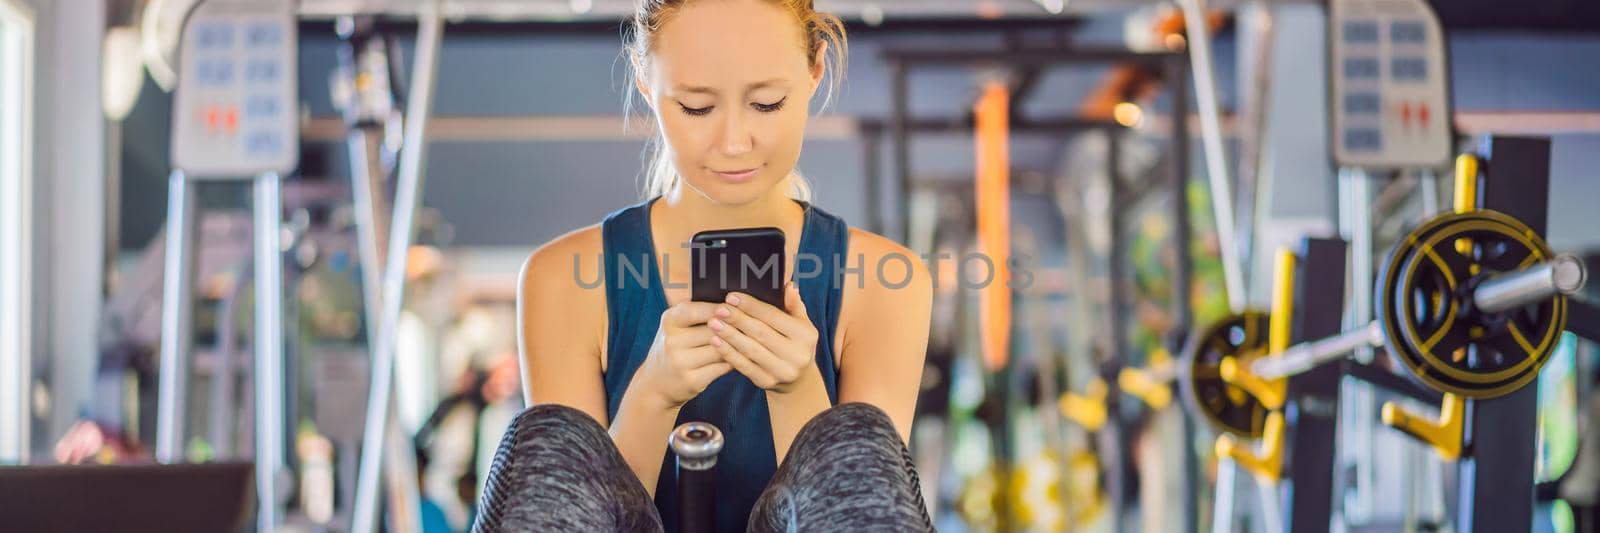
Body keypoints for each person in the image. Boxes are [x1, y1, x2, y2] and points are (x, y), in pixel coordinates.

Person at [473, 1, 934, 531]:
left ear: (815, 72)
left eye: (767, 103)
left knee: (859, 445)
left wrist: (798, 389)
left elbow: (856, 511)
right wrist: (653, 394)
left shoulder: (886, 286)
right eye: (696, 108)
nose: (735, 143)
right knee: (548, 442)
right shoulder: (562, 280)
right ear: (647, 82)